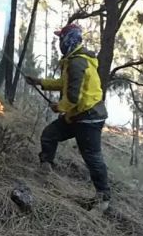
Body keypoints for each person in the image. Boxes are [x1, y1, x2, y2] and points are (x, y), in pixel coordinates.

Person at [25, 24, 110, 212]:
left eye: (60, 38)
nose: (59, 43)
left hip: (88, 117)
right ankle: (45, 169)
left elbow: (72, 97)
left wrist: (59, 107)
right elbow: (64, 84)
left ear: (69, 39)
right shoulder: (73, 60)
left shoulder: (77, 62)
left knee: (92, 156)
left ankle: (103, 199)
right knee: (49, 134)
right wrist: (40, 82)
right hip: (77, 114)